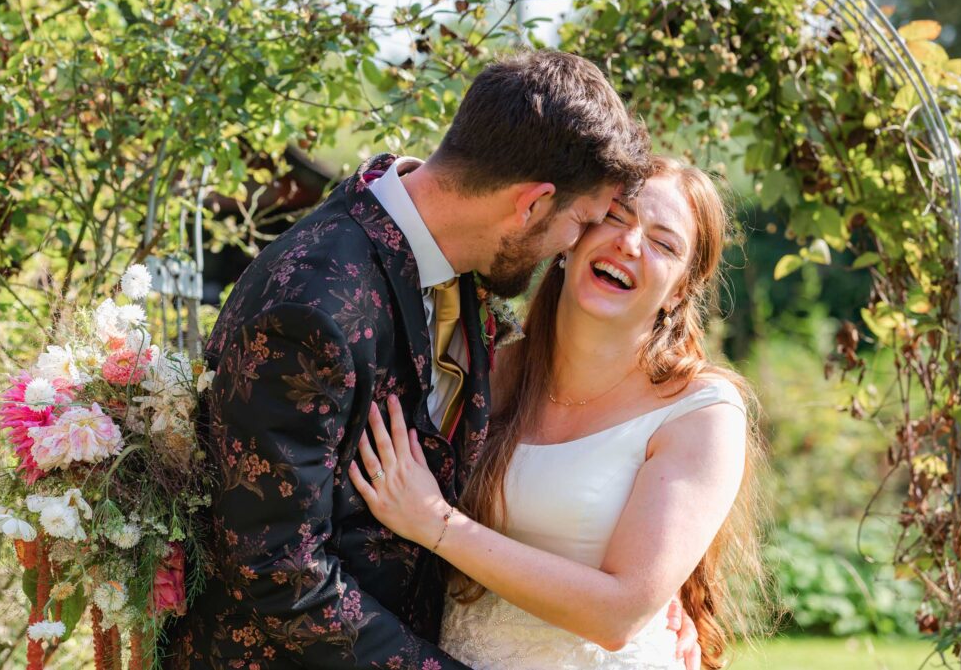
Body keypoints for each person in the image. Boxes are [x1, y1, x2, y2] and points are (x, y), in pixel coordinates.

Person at [165, 50, 710, 669]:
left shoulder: (455, 263)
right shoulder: (314, 305)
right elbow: (279, 569)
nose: (573, 245)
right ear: (530, 205)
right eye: (583, 221)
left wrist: (632, 600)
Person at [349, 158, 768, 670]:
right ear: (573, 231)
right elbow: (462, 173)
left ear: (679, 290)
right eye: (617, 217)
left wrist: (435, 524)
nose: (630, 244)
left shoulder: (700, 411)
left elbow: (620, 615)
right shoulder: (485, 370)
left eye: (663, 243)